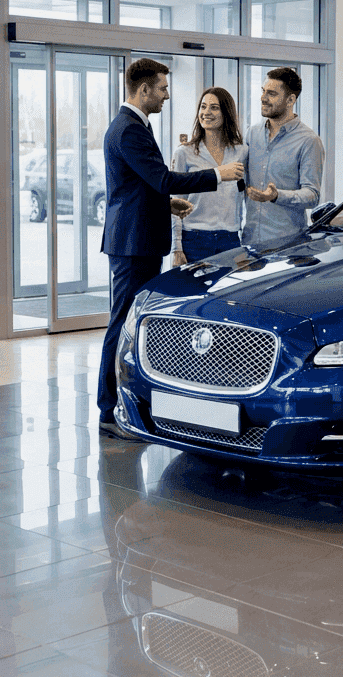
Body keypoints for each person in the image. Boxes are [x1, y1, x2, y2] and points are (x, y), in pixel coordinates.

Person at [97, 58, 244, 440]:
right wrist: (218, 174)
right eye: (162, 88)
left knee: (131, 322)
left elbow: (139, 185)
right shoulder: (129, 129)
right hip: (133, 243)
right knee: (122, 324)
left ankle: (124, 405)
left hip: (139, 238)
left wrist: (167, 205)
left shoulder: (135, 125)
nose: (166, 95)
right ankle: (109, 410)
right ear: (144, 89)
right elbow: (161, 178)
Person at [242, 66, 326, 246]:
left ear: (290, 100)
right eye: (263, 91)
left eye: (271, 93)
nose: (263, 98)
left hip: (287, 245)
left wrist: (276, 195)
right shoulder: (252, 133)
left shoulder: (309, 141)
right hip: (250, 240)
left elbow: (312, 195)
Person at [170, 87, 248, 265]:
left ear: (226, 113)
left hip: (230, 241)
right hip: (194, 241)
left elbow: (246, 197)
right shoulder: (184, 153)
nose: (206, 112)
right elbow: (175, 202)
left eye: (214, 107)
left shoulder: (242, 152)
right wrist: (177, 248)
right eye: (203, 107)